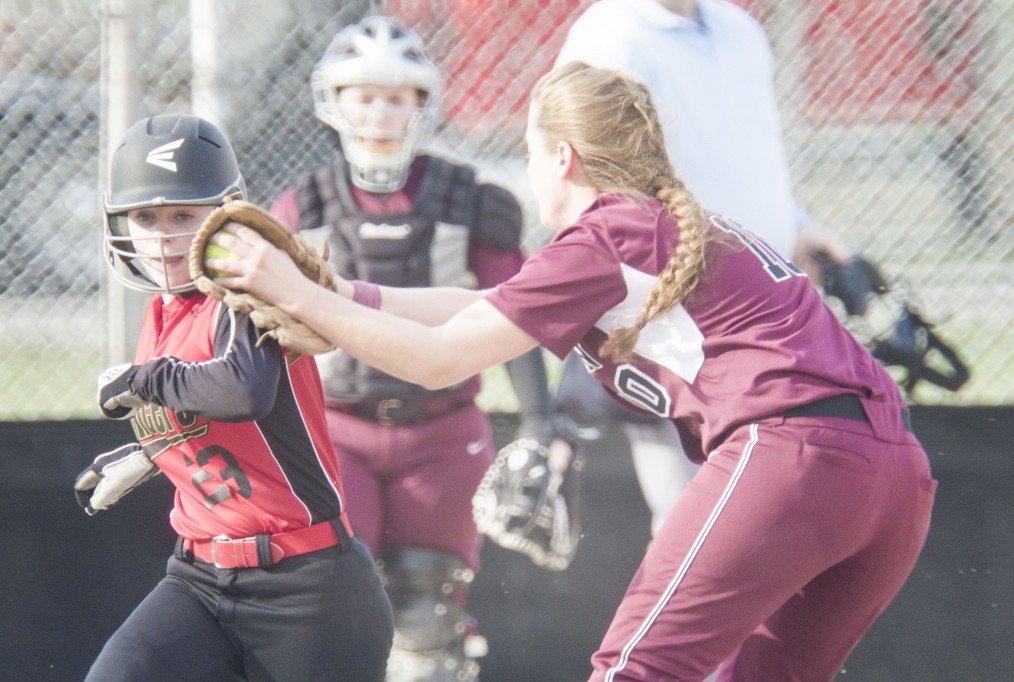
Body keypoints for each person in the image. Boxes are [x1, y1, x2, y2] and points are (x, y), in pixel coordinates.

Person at [207, 61, 936, 681]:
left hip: (796, 460)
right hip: (898, 473)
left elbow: (440, 359)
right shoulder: (668, 224)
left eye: (529, 153)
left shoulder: (605, 234)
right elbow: (483, 305)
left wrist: (296, 293)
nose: (528, 172)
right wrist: (342, 294)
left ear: (562, 158)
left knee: (635, 671)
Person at [268, 16, 563, 681]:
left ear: (423, 103)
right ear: (333, 101)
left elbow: (515, 316)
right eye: (363, 93)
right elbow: (273, 329)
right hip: (337, 429)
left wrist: (542, 422)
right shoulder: (303, 207)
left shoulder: (472, 202)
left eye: (396, 95)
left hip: (441, 431)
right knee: (336, 600)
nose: (379, 110)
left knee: (430, 620)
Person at [77, 113, 394, 682]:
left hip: (307, 589)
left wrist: (143, 380)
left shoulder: (244, 290)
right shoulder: (163, 311)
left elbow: (244, 390)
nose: (163, 235)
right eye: (145, 217)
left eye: (183, 215)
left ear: (226, 215)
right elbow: (205, 406)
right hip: (198, 578)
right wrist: (153, 452)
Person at [551, 0, 853, 538]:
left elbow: (754, 151)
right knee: (695, 519)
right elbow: (593, 179)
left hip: (765, 302)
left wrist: (798, 225)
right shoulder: (611, 33)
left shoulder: (740, 30)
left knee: (769, 510)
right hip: (678, 306)